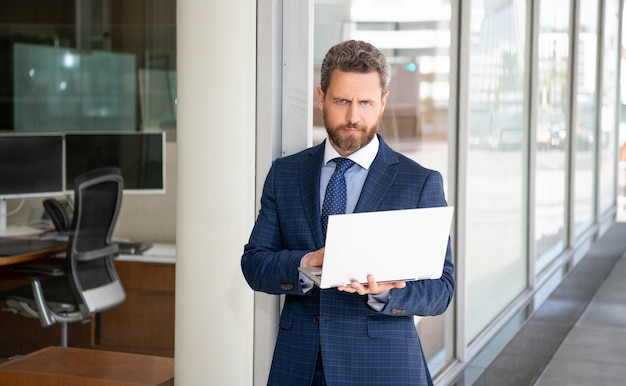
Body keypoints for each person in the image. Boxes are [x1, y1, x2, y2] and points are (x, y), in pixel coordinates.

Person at [241, 40, 454, 386]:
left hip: (383, 368)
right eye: (342, 101)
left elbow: (442, 288)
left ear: (383, 102)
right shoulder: (285, 174)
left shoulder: (419, 182)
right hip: (299, 367)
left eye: (366, 102)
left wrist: (386, 292)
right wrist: (303, 264)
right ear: (321, 97)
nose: (353, 116)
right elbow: (253, 264)